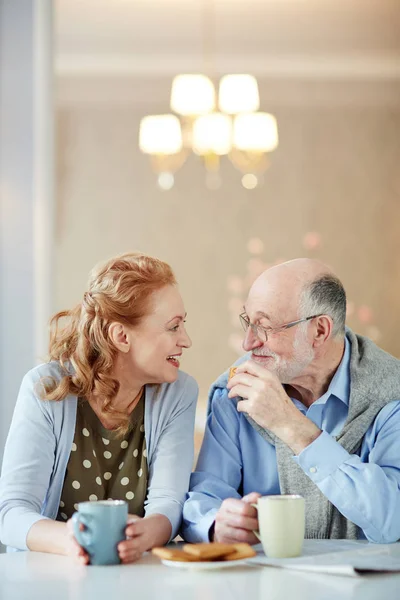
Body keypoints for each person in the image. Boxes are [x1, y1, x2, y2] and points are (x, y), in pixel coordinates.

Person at [182, 258, 400, 544]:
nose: (247, 343)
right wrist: (216, 524)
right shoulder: (235, 391)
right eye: (248, 321)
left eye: (265, 326)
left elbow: (392, 522)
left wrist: (290, 424)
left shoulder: (390, 393)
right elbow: (203, 501)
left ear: (319, 331)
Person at [0, 252, 198, 564]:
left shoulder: (179, 393)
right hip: (48, 577)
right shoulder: (46, 388)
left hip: (137, 575)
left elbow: (168, 502)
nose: (185, 340)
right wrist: (69, 539)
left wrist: (150, 531)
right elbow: (11, 513)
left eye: (183, 324)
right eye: (173, 327)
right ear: (122, 336)